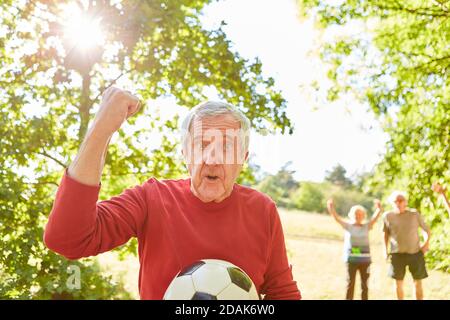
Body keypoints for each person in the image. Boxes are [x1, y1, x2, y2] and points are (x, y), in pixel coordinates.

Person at [43, 87, 301, 300]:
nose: (212, 160)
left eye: (226, 148)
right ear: (185, 153)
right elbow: (67, 239)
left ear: (243, 158)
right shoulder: (152, 198)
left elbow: (282, 291)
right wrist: (101, 129)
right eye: (202, 145)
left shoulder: (262, 209)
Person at [327, 198, 383, 300]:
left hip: (365, 261)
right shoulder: (348, 226)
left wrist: (379, 208)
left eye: (361, 214)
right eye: (356, 214)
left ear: (364, 216)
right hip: (351, 260)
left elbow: (375, 218)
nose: (358, 216)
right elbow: (337, 218)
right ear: (352, 215)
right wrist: (331, 208)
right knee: (350, 283)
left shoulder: (367, 226)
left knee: (364, 285)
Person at [383, 191, 431, 300]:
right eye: (396, 201)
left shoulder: (414, 214)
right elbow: (385, 234)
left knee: (417, 282)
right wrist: (384, 250)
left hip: (415, 253)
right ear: (392, 203)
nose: (398, 203)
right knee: (398, 284)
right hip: (397, 254)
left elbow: (426, 230)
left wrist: (426, 244)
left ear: (406, 202)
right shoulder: (387, 216)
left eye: (401, 200)